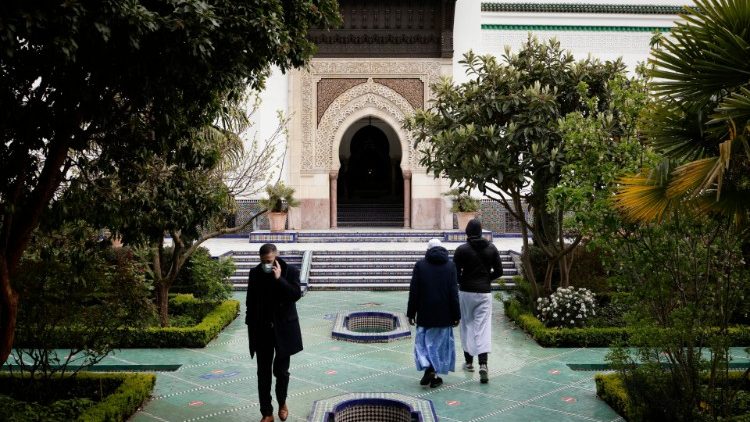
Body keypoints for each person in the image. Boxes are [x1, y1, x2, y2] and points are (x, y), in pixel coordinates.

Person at [246, 243, 303, 422]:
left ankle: (282, 403)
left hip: (283, 331)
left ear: (276, 256)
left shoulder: (290, 271)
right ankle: (267, 413)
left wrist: (280, 279)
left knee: (281, 372)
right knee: (263, 373)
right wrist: (251, 326)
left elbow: (295, 295)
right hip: (262, 331)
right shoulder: (255, 273)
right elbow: (250, 302)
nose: (266, 264)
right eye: (263, 261)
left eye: (269, 261)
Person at [453, 219, 502, 384]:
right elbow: (499, 271)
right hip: (484, 293)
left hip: (466, 292)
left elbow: (455, 272)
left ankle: (469, 363)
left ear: (467, 232)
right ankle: (483, 364)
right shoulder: (491, 248)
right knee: (482, 328)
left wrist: (463, 281)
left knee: (467, 325)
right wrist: (487, 279)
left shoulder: (461, 250)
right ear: (481, 232)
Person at [407, 238, 460, 388]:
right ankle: (433, 373)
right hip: (444, 315)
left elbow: (414, 292)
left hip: (425, 313)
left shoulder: (420, 265)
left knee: (424, 344)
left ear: (428, 250)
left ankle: (430, 370)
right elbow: (453, 293)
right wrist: (456, 315)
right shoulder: (450, 266)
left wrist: (411, 313)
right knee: (439, 346)